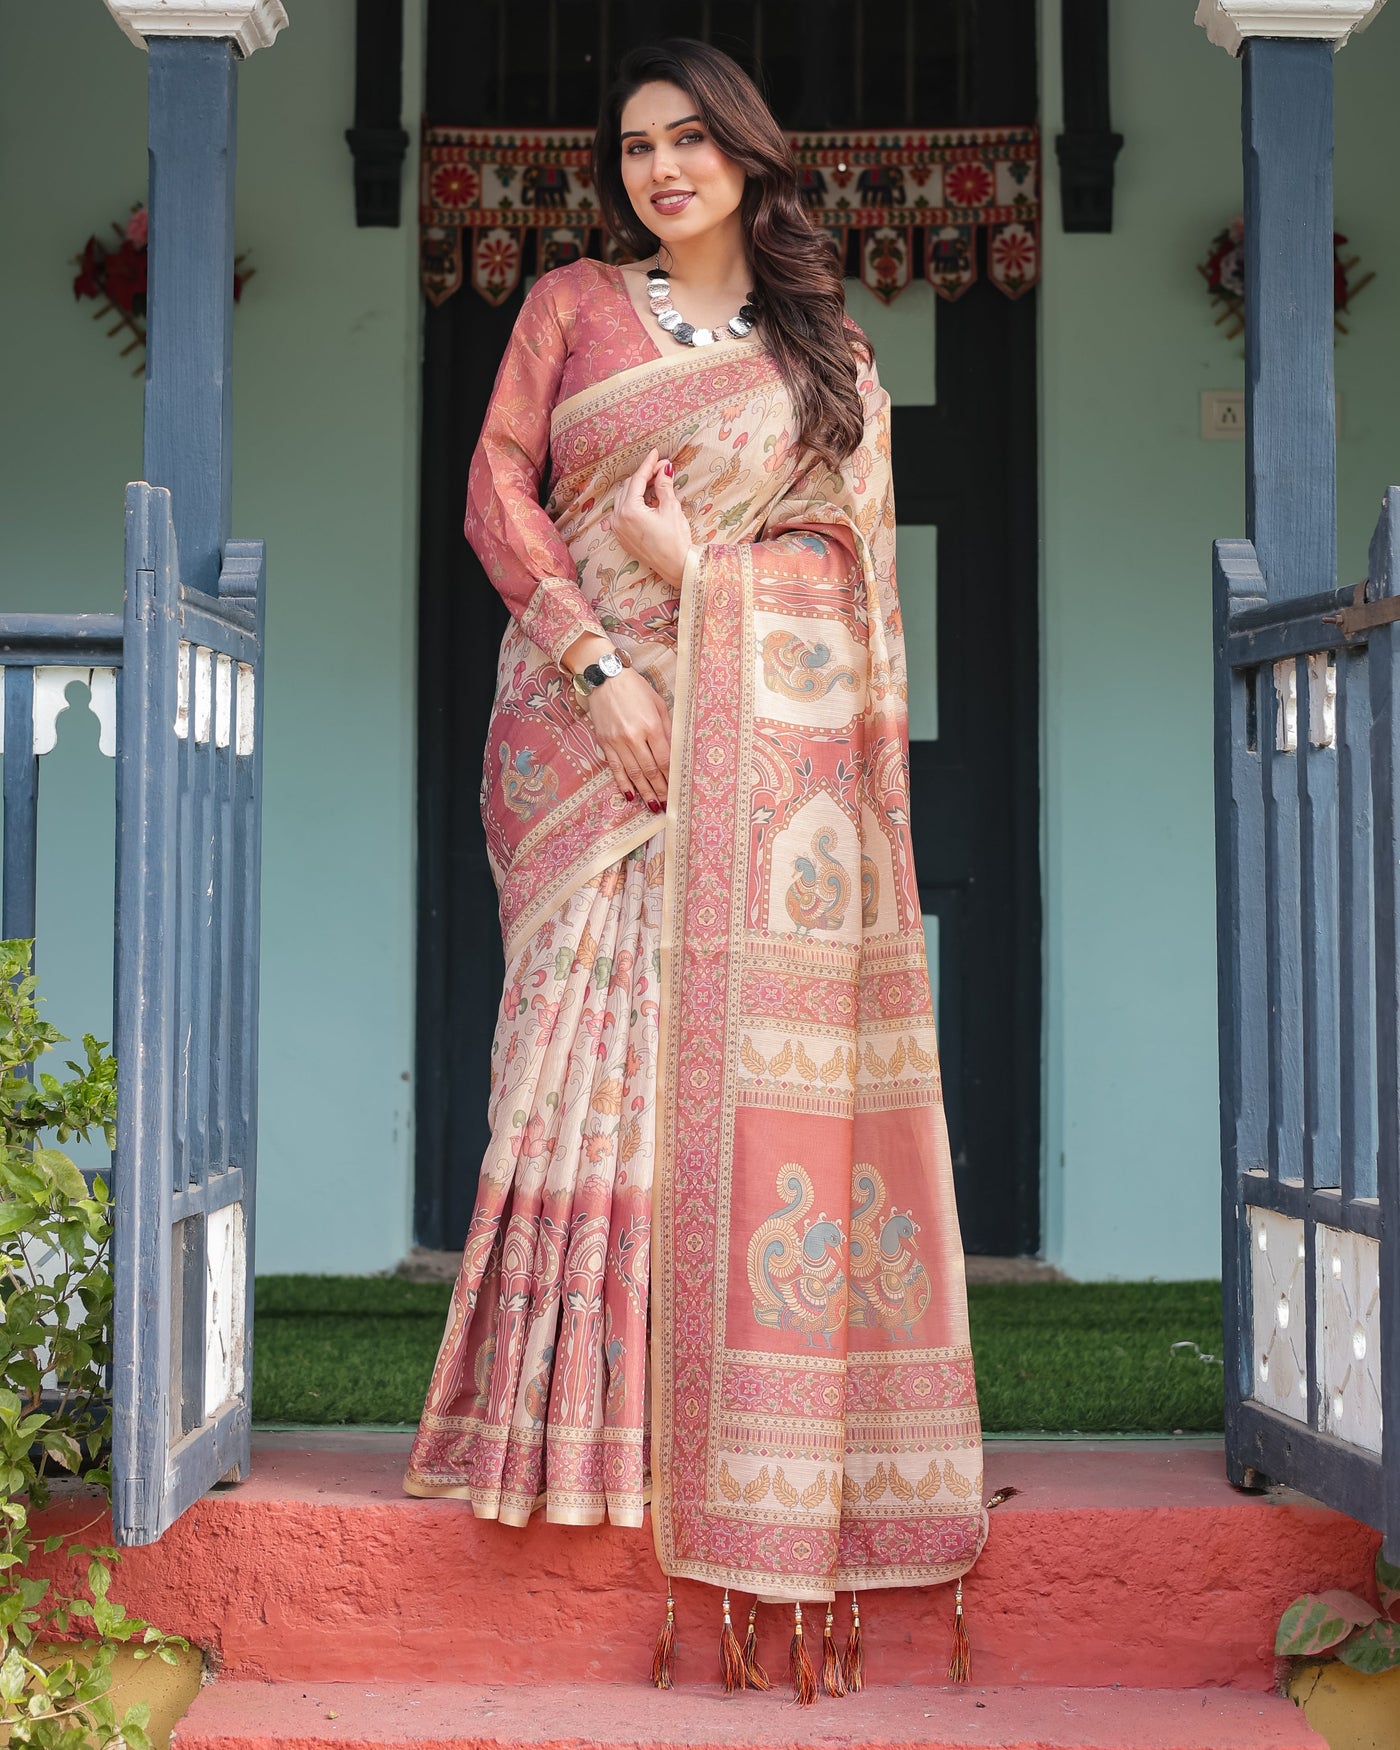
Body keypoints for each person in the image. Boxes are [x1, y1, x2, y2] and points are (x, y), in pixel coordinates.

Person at [404, 37, 987, 1699]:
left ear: (746, 157)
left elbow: (857, 594)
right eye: (636, 147)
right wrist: (604, 660)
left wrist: (699, 573)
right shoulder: (571, 303)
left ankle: (705, 1430)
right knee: (570, 1068)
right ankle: (562, 1428)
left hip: (754, 761)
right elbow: (495, 494)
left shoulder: (830, 366)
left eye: (689, 143)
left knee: (700, 1082)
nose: (660, 170)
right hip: (577, 739)